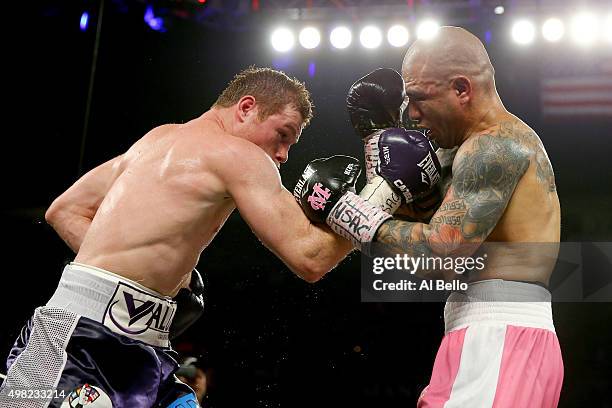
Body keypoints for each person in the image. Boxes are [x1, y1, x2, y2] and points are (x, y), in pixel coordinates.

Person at [0, 67, 382, 408]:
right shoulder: (240, 155)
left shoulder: (157, 138)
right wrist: (380, 196)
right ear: (246, 107)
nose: (282, 155)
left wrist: (132, 285)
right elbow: (310, 258)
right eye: (282, 135)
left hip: (139, 348)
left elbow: (64, 210)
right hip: (77, 344)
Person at [295, 27, 563, 407]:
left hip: (501, 335)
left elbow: (441, 255)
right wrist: (377, 145)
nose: (413, 113)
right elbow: (421, 218)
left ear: (462, 89)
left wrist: (345, 211)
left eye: (420, 98)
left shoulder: (495, 147)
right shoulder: (462, 150)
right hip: (479, 331)